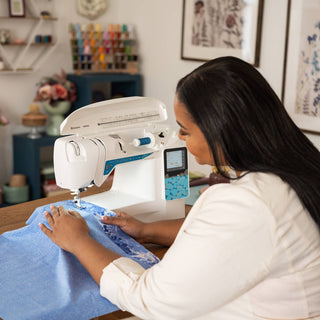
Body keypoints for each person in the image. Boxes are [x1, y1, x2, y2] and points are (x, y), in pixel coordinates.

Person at [40, 56, 320, 319]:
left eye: (185, 130)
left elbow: (150, 300)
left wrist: (79, 242)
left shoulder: (249, 204)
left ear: (219, 130)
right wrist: (147, 230)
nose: (180, 138)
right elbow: (226, 237)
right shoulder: (295, 173)